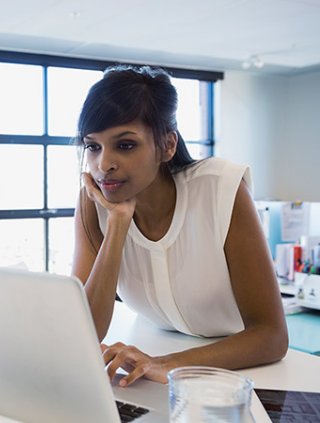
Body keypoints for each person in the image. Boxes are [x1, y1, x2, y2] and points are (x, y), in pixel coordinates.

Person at [71, 65, 288, 388]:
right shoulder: (95, 204)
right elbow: (83, 331)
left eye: (126, 145)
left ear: (167, 145)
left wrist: (165, 365)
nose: (104, 165)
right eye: (93, 146)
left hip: (245, 374)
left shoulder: (219, 188)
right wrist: (117, 226)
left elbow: (271, 335)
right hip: (161, 356)